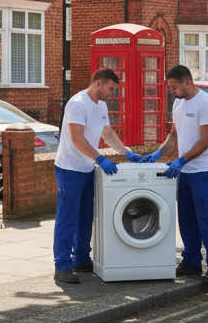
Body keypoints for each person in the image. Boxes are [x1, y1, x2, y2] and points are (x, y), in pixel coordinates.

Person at [53, 68, 147, 284]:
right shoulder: (77, 104)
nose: (112, 93)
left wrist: (127, 152)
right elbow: (77, 139)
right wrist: (100, 159)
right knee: (68, 217)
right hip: (70, 168)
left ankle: (80, 259)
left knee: (86, 217)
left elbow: (108, 133)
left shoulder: (101, 105)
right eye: (111, 88)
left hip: (87, 168)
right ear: (98, 83)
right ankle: (62, 265)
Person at [142, 65, 208, 284]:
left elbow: (206, 140)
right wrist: (159, 152)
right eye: (169, 86)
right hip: (185, 172)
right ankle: (191, 262)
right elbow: (174, 135)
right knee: (186, 219)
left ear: (187, 82)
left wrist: (182, 159)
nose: (171, 90)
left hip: (204, 172)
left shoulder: (206, 103)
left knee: (206, 218)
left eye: (173, 86)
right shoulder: (178, 103)